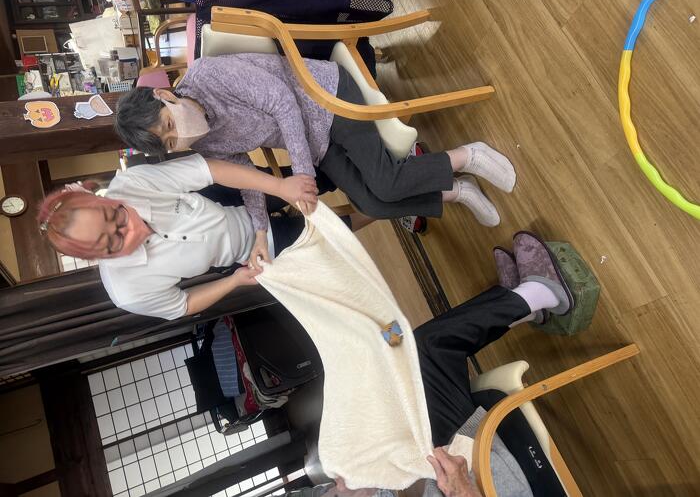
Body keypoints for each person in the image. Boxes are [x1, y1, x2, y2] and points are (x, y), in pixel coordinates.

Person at [114, 53, 517, 266]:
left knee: (387, 183)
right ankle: (455, 191)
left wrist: (303, 177)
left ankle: (469, 155)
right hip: (318, 142)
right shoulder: (205, 145)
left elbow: (282, 102)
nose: (180, 135)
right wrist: (259, 233)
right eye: (171, 142)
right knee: (372, 203)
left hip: (327, 97)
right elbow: (247, 177)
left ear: (163, 96)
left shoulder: (208, 76)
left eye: (170, 124)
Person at [288, 231, 573, 497]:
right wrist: (462, 491)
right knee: (424, 349)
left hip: (429, 460)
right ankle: (539, 292)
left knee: (389, 346)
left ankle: (519, 304)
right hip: (473, 479)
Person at [37, 154, 369, 320]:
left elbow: (210, 170)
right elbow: (183, 304)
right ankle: (380, 207)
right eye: (113, 243)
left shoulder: (132, 184)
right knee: (332, 232)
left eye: (117, 216)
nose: (133, 230)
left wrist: (280, 187)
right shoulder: (127, 291)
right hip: (247, 250)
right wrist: (234, 281)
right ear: (99, 259)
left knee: (311, 180)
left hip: (230, 198)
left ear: (105, 199)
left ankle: (374, 168)